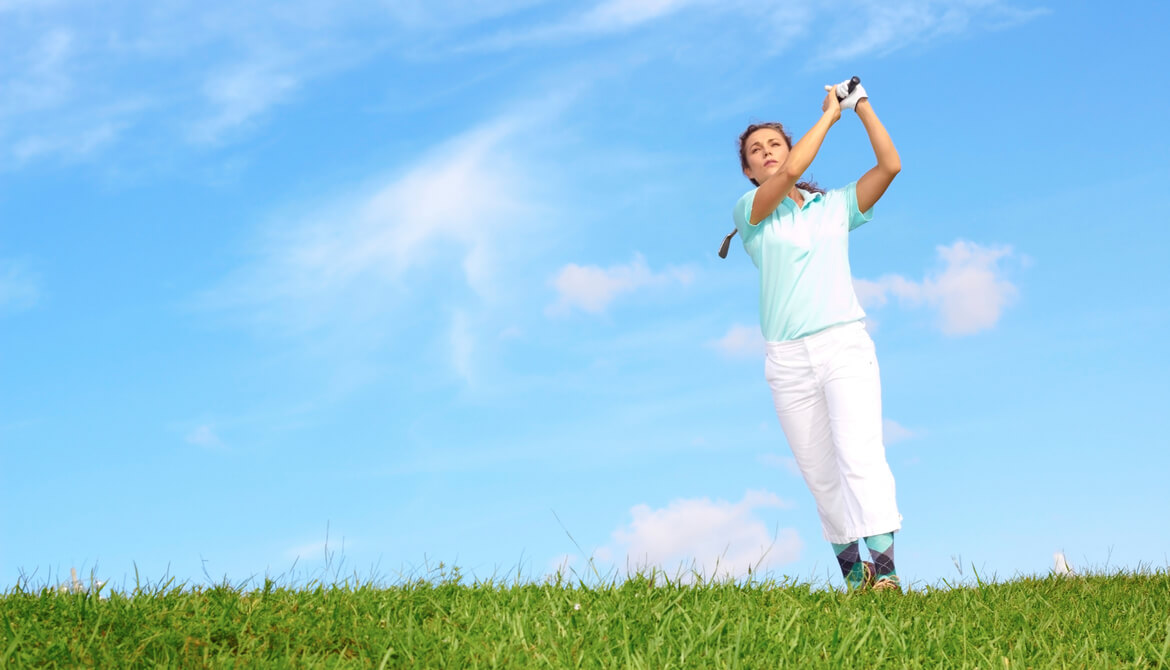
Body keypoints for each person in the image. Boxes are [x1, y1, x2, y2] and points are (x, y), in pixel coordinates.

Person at [732, 80, 903, 592]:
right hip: (786, 359)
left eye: (774, 145)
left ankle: (887, 575)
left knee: (860, 456)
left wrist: (861, 105)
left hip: (843, 345)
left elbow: (890, 166)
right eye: (755, 151)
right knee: (820, 473)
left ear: (788, 147)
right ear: (747, 169)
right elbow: (790, 174)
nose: (767, 155)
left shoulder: (836, 207)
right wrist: (829, 117)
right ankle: (856, 579)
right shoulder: (751, 212)